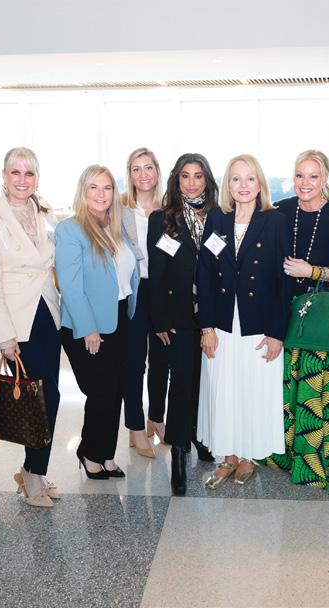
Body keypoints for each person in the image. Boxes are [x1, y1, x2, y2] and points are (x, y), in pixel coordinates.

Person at [266, 150, 329, 489]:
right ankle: (282, 454)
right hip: (283, 314)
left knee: (316, 393)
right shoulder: (279, 211)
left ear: (325, 179)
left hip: (322, 320)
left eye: (313, 176)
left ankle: (316, 460)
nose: (305, 183)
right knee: (283, 388)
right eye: (299, 175)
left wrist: (312, 271)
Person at [197, 154, 292, 489]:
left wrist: (277, 333)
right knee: (223, 389)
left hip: (259, 324)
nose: (243, 185)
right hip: (222, 322)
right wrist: (206, 327)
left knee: (253, 388)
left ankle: (249, 455)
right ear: (228, 184)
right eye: (236, 179)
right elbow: (204, 273)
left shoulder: (275, 220)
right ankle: (228, 456)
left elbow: (284, 281)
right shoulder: (217, 218)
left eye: (250, 178)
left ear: (260, 183)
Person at [0, 147, 62, 508]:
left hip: (47, 312)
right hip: (17, 320)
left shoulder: (43, 212)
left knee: (49, 396)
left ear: (37, 178)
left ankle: (35, 471)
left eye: (29, 173)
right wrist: (5, 336)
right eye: (15, 172)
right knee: (39, 399)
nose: (22, 180)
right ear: (4, 175)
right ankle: (32, 475)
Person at [55, 165, 138, 481]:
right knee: (101, 391)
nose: (101, 194)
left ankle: (106, 454)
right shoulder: (70, 229)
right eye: (94, 187)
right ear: (83, 191)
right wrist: (88, 328)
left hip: (119, 318)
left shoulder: (115, 226)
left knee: (115, 391)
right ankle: (89, 452)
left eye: (107, 188)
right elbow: (70, 285)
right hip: (86, 324)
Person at [147, 153, 219, 494]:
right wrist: (159, 318)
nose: (192, 183)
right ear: (177, 180)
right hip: (177, 316)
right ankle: (178, 450)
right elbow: (156, 272)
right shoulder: (162, 219)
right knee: (181, 383)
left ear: (207, 180)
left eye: (198, 176)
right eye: (185, 176)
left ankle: (199, 435)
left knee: (205, 380)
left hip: (213, 315)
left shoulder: (220, 216)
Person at [120, 147, 168, 459]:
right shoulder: (120, 209)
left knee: (161, 359)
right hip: (134, 288)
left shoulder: (169, 208)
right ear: (130, 174)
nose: (143, 174)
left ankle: (157, 418)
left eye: (148, 167)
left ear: (157, 171)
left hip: (163, 290)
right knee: (135, 360)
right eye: (136, 169)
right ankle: (135, 426)